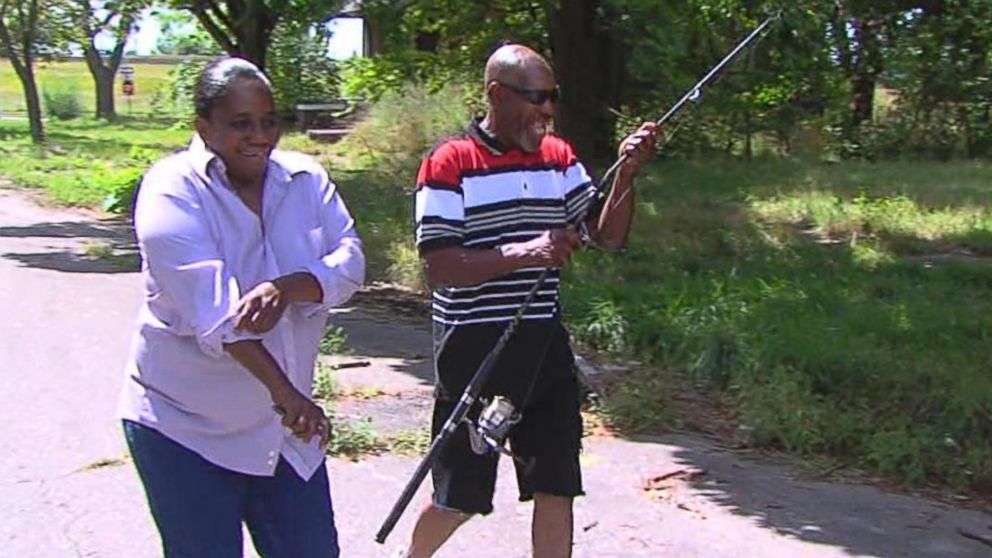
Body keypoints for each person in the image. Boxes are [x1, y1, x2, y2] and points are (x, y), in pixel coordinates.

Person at [406, 44, 658, 557]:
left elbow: (605, 236)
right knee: (461, 497)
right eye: (536, 97)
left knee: (556, 485)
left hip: (543, 347)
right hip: (475, 351)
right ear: (497, 95)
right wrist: (529, 252)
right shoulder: (449, 162)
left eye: (553, 98)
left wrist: (626, 177)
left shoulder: (558, 157)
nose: (547, 110)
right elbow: (440, 267)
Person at [118, 56, 364, 558]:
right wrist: (289, 396)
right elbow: (219, 315)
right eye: (240, 124)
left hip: (282, 437)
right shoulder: (172, 190)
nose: (260, 136)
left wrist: (291, 286)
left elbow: (351, 261)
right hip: (186, 430)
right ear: (203, 126)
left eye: (269, 121)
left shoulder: (305, 180)